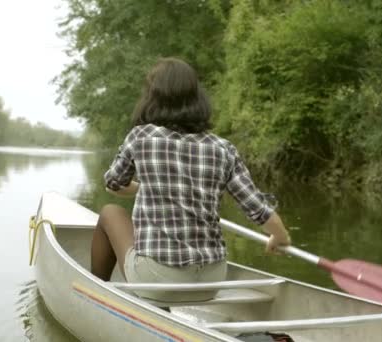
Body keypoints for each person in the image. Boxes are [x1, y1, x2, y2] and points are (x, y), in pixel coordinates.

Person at [91, 57, 291, 302]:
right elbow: (258, 209)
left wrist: (139, 187)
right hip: (212, 281)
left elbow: (114, 183)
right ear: (197, 97)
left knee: (110, 212)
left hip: (159, 279)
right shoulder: (223, 148)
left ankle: (95, 291)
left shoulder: (141, 137)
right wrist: (280, 237)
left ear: (152, 97)